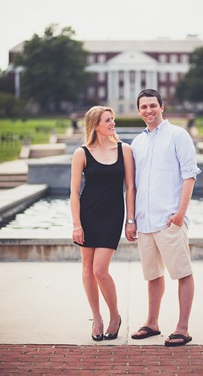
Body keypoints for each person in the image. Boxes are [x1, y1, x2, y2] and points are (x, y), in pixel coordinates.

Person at [127, 89, 201, 347]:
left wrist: (180, 215)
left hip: (170, 219)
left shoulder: (178, 135)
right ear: (139, 111)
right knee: (152, 275)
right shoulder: (137, 142)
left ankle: (182, 328)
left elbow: (189, 175)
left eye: (152, 105)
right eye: (144, 107)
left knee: (182, 273)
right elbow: (133, 185)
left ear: (162, 106)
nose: (148, 110)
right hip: (144, 221)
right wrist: (131, 219)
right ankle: (152, 322)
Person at [70, 106, 136, 342]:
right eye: (108, 120)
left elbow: (130, 187)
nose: (112, 124)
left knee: (100, 270)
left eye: (113, 120)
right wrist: (76, 224)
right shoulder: (82, 153)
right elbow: (74, 192)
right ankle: (97, 318)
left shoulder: (124, 150)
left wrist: (131, 219)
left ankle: (115, 315)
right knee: (87, 269)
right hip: (88, 214)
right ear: (95, 125)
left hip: (112, 215)